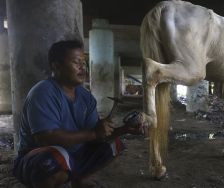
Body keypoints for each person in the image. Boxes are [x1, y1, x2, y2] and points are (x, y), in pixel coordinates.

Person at [13, 40, 144, 188]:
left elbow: (97, 137)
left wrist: (124, 130)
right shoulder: (43, 92)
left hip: (71, 155)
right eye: (77, 62)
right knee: (57, 156)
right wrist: (94, 133)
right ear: (56, 66)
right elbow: (45, 138)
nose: (83, 67)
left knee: (114, 144)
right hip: (35, 159)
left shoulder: (86, 97)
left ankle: (79, 180)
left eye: (84, 62)